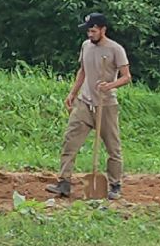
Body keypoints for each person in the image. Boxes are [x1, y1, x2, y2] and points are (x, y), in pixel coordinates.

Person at [47, 12, 130, 200]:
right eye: (88, 31)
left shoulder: (116, 49)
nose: (90, 35)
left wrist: (110, 85)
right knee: (70, 141)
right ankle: (64, 183)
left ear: (103, 30)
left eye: (93, 31)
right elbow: (82, 71)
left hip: (106, 105)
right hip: (85, 103)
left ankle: (115, 185)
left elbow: (127, 76)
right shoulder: (86, 46)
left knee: (113, 148)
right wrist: (72, 93)